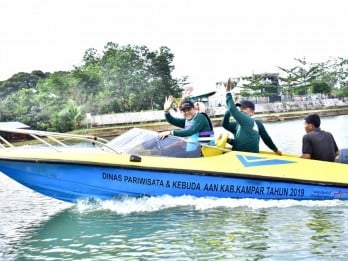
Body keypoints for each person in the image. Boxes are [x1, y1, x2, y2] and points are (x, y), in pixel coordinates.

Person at [222, 78, 282, 155]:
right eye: (240, 109)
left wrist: (228, 92)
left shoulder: (253, 122)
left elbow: (266, 138)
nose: (241, 110)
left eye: (244, 108)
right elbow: (225, 124)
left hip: (246, 158)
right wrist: (229, 140)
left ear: (252, 112)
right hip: (239, 156)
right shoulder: (238, 124)